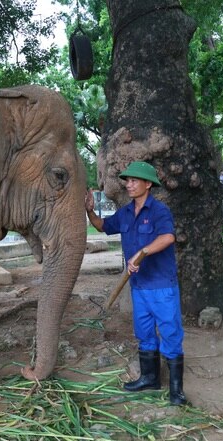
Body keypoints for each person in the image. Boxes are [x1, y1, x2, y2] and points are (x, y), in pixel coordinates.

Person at [85, 161, 187, 406]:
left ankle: (176, 391)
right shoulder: (125, 212)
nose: (128, 184)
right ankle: (149, 379)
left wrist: (142, 252)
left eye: (134, 180)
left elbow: (168, 237)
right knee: (144, 334)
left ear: (148, 184)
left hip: (161, 285)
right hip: (139, 286)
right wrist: (89, 211)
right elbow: (102, 226)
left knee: (170, 333)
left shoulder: (159, 211)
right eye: (127, 180)